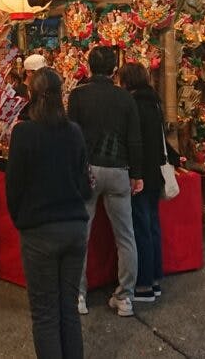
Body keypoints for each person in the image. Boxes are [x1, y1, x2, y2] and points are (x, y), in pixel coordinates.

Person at [7, 68, 92, 359]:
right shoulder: (74, 132)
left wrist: (22, 220)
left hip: (39, 230)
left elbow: (14, 186)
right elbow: (84, 184)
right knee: (68, 307)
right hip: (74, 226)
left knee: (45, 313)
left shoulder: (24, 133)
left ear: (31, 94)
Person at [67, 46, 143, 317]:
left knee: (81, 235)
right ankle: (124, 297)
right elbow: (134, 137)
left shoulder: (78, 95)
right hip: (119, 169)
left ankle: (78, 295)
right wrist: (137, 174)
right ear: (114, 69)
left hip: (87, 171)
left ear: (88, 66)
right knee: (125, 236)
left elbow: (71, 135)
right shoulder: (125, 98)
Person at [116, 62, 167, 303]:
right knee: (153, 226)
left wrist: (135, 175)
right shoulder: (155, 102)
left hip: (140, 175)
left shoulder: (133, 104)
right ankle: (155, 279)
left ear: (126, 81)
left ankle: (144, 284)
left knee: (140, 228)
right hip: (155, 173)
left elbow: (135, 142)